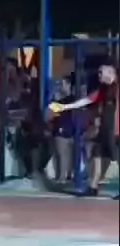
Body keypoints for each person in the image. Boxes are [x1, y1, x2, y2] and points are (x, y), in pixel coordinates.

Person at [52, 63, 118, 198]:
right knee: (96, 154)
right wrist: (64, 107)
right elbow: (87, 100)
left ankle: (94, 186)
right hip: (105, 129)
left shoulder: (117, 88)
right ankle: (93, 187)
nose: (98, 75)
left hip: (116, 130)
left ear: (110, 73)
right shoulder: (103, 89)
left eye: (101, 72)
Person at [48, 76, 77, 184]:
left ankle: (66, 177)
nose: (60, 86)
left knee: (69, 156)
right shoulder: (57, 99)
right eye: (60, 84)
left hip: (71, 131)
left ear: (69, 85)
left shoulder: (72, 99)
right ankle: (61, 177)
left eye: (63, 84)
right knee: (61, 155)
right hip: (60, 130)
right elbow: (50, 114)